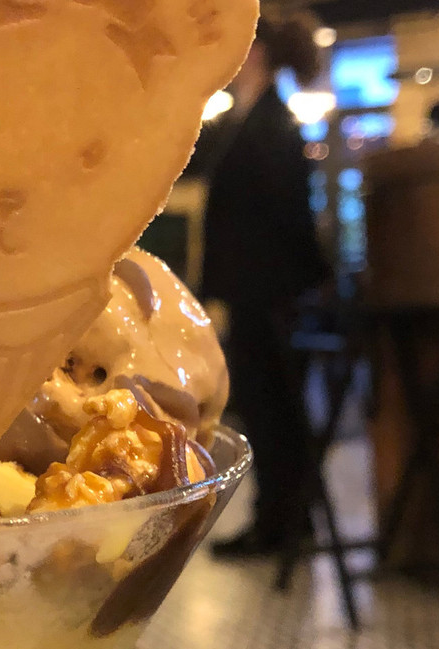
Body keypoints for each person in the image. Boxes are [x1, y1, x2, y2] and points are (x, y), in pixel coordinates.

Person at [195, 17, 331, 557]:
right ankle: (282, 519)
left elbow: (285, 218)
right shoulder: (253, 118)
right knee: (268, 409)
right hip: (259, 293)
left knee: (273, 411)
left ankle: (280, 523)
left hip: (268, 296)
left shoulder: (272, 122)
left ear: (255, 51)